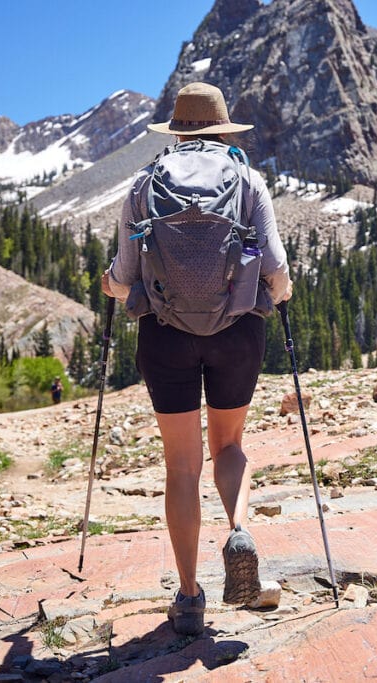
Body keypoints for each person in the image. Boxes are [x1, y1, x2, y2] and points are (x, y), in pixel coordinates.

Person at [101, 82, 292, 636]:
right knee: (229, 445)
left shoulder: (143, 185)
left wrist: (110, 287)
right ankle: (239, 528)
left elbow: (125, 277)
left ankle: (188, 598)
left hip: (165, 337)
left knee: (181, 466)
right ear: (222, 129)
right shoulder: (248, 179)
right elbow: (276, 271)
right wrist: (278, 295)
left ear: (177, 131)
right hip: (236, 333)